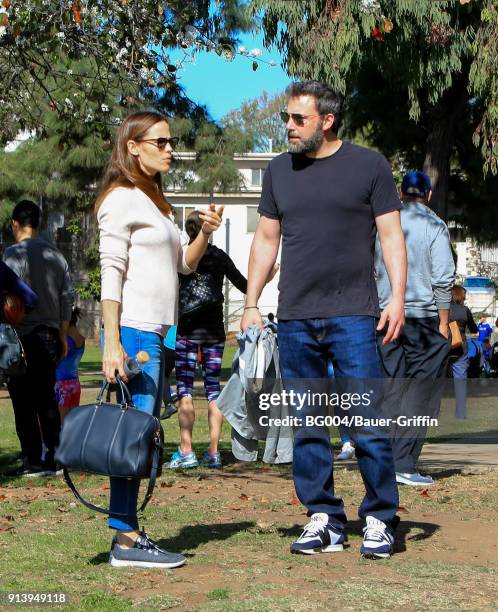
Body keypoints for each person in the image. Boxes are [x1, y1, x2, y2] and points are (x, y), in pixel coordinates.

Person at [241, 80, 406, 559]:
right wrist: (251, 302)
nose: (289, 127)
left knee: (365, 419)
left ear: (327, 120)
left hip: (355, 314)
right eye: (286, 119)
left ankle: (380, 518)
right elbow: (266, 241)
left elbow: (391, 237)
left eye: (298, 119)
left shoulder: (369, 165)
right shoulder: (278, 171)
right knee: (307, 422)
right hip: (294, 316)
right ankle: (325, 519)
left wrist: (396, 298)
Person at [96, 110, 223, 568]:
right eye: (161, 142)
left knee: (142, 436)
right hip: (134, 333)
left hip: (159, 333)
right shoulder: (121, 199)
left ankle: (127, 533)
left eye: (172, 142)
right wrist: (112, 343)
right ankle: (126, 540)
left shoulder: (156, 202)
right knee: (132, 437)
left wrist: (205, 234)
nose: (171, 149)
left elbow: (183, 267)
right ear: (133, 146)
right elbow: (110, 273)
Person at [375, 170, 454, 486]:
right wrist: (445, 323)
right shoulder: (434, 225)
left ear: (400, 191)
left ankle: (382, 460)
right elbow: (443, 279)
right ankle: (404, 463)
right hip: (422, 318)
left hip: (384, 316)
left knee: (391, 387)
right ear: (429, 194)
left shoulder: (382, 222)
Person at [166, 211, 248, 470]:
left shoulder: (180, 258)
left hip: (187, 332)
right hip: (214, 332)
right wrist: (266, 277)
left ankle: (186, 450)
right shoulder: (219, 256)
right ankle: (213, 451)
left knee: (185, 390)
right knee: (214, 390)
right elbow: (244, 285)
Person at [3, 201, 74, 477]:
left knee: (23, 401)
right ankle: (55, 456)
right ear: (40, 224)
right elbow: (67, 296)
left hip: (19, 337)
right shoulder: (56, 255)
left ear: (14, 224)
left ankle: (32, 458)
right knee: (46, 397)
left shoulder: (11, 254)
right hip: (48, 334)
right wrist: (63, 331)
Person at [448, 285, 478, 418]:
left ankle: (432, 413)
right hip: (460, 346)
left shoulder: (444, 309)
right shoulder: (465, 310)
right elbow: (473, 329)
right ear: (461, 296)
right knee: (460, 380)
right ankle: (460, 413)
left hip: (443, 345)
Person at [54, 307, 85, 422]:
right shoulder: (81, 338)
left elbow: (58, 359)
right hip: (75, 384)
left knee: (62, 424)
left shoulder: (65, 340)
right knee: (73, 423)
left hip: (62, 385)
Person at [160, 324, 179, 419]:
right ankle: (172, 395)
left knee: (162, 374)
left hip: (170, 343)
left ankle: (169, 404)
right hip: (186, 344)